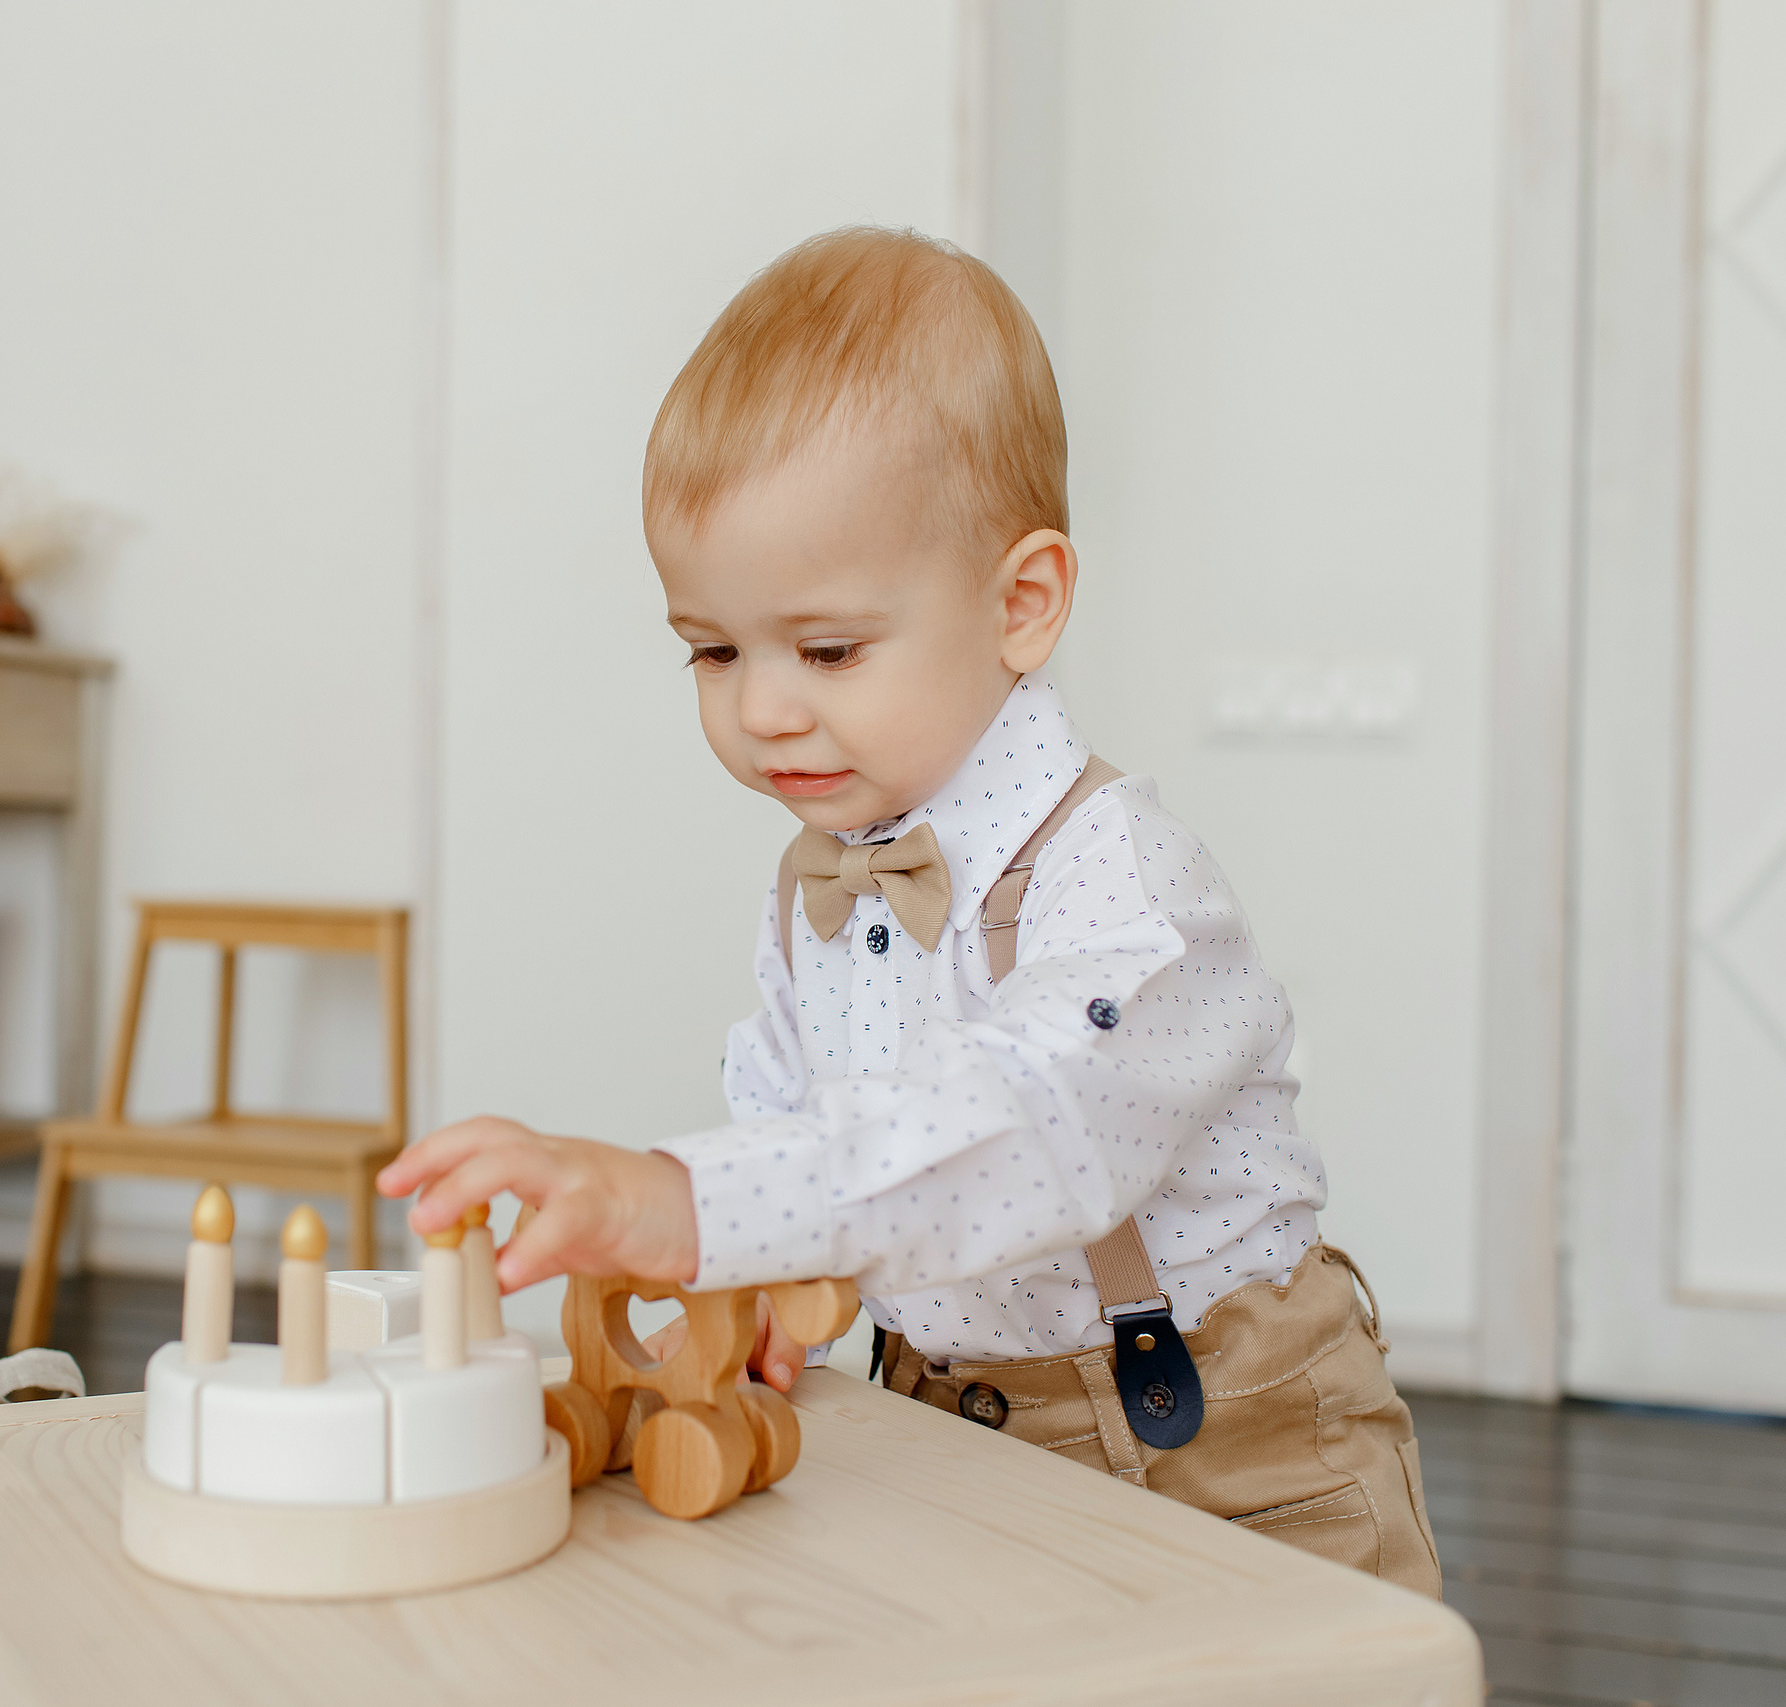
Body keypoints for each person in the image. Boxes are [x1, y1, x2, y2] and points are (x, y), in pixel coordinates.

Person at [379, 226, 1438, 1594]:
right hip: (951, 1413)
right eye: (712, 649)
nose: (762, 709)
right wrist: (751, 1288)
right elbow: (793, 1122)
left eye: (826, 649)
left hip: (1223, 1455)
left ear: (1023, 603)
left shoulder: (1124, 877)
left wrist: (682, 1202)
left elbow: (1023, 1133)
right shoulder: (816, 882)